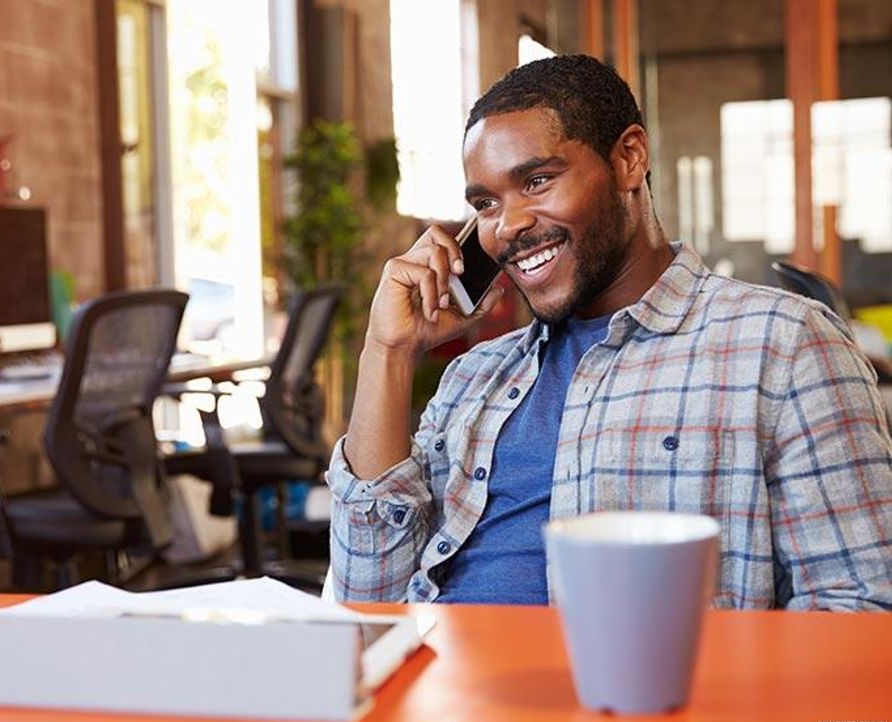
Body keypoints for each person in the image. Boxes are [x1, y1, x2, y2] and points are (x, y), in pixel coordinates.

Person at [327, 54, 892, 610]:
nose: (508, 225)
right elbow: (366, 605)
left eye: (538, 180)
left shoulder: (784, 345)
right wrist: (388, 351)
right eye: (486, 203)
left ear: (629, 159)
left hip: (641, 695)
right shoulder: (473, 378)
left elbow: (862, 612)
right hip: (440, 690)